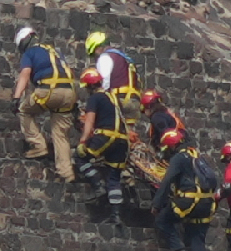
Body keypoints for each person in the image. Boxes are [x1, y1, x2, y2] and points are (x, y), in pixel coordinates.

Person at [151, 130, 223, 251]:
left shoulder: (179, 158)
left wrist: (157, 204)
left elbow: (168, 180)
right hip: (206, 204)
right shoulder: (198, 156)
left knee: (163, 220)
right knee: (197, 239)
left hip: (189, 200)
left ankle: (179, 250)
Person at [11, 27, 77, 182]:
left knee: (24, 110)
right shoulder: (54, 51)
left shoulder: (30, 53)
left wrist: (16, 97)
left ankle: (38, 145)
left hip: (49, 90)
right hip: (69, 93)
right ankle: (66, 173)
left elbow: (25, 75)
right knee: (60, 133)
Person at [76, 67, 132, 226]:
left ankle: (97, 184)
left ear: (88, 86)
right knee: (114, 176)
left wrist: (83, 141)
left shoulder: (95, 98)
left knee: (80, 158)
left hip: (106, 136)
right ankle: (116, 215)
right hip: (123, 141)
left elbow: (90, 121)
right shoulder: (113, 98)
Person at [84, 31, 140, 122]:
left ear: (97, 48)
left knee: (110, 130)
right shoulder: (123, 57)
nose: (95, 56)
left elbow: (104, 83)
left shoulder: (104, 57)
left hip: (119, 100)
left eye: (94, 53)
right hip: (134, 100)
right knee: (129, 133)